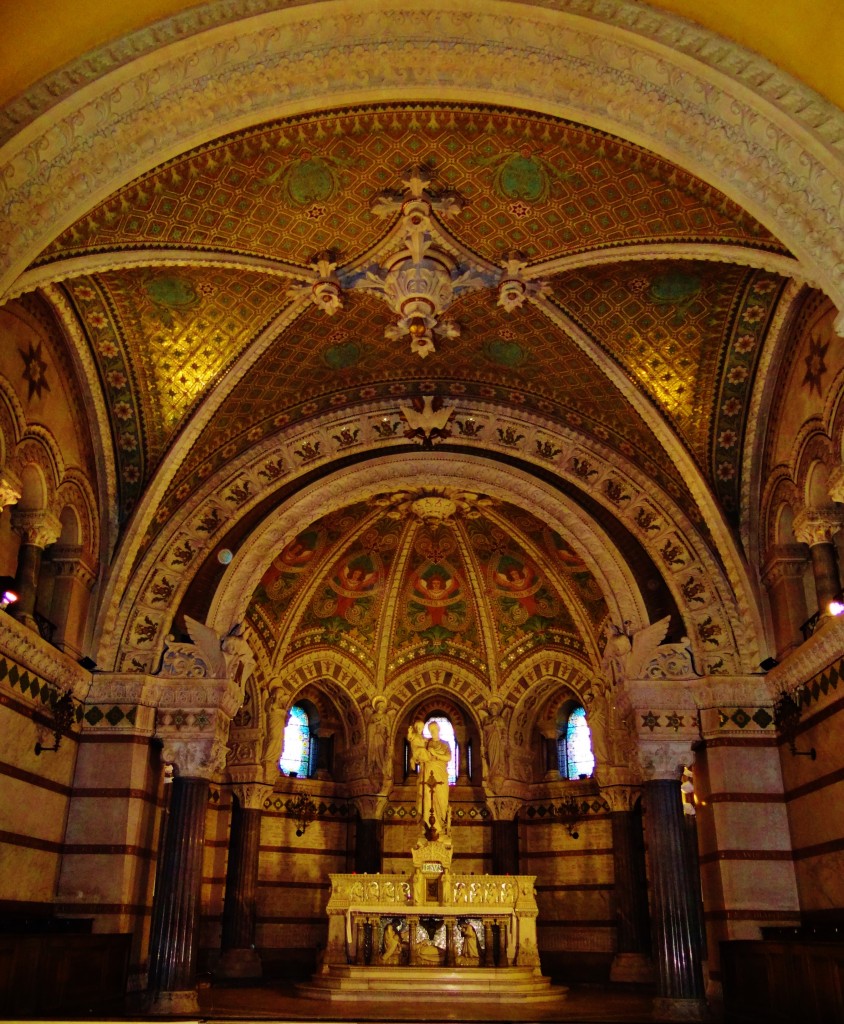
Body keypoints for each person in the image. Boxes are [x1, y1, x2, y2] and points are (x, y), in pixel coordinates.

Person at [409, 720, 451, 839]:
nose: (433, 732)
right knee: (428, 799)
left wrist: (436, 755)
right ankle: (428, 827)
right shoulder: (426, 743)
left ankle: (441, 826)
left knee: (442, 801)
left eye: (434, 729)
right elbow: (418, 751)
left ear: (438, 730)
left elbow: (448, 757)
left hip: (441, 775)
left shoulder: (445, 744)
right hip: (428, 774)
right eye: (430, 730)